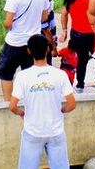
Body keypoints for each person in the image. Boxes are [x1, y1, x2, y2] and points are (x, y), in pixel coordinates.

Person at [9, 34, 76, 169]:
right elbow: (72, 103)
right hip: (55, 131)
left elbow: (12, 106)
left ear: (29, 51)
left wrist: (22, 113)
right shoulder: (60, 75)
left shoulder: (22, 76)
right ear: (47, 49)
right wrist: (62, 110)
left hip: (33, 131)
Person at [0, 0, 52, 101]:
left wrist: (6, 24)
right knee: (30, 74)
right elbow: (45, 17)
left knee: (6, 73)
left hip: (15, 42)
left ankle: (9, 104)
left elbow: (8, 22)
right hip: (33, 42)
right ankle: (30, 102)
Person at [58, 0, 95, 92]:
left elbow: (64, 14)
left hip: (76, 34)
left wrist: (64, 30)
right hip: (90, 34)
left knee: (81, 60)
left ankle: (80, 85)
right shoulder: (89, 0)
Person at [38, 0, 58, 64]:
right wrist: (53, 47)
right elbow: (45, 29)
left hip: (48, 40)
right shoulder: (42, 6)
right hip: (44, 41)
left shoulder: (50, 2)